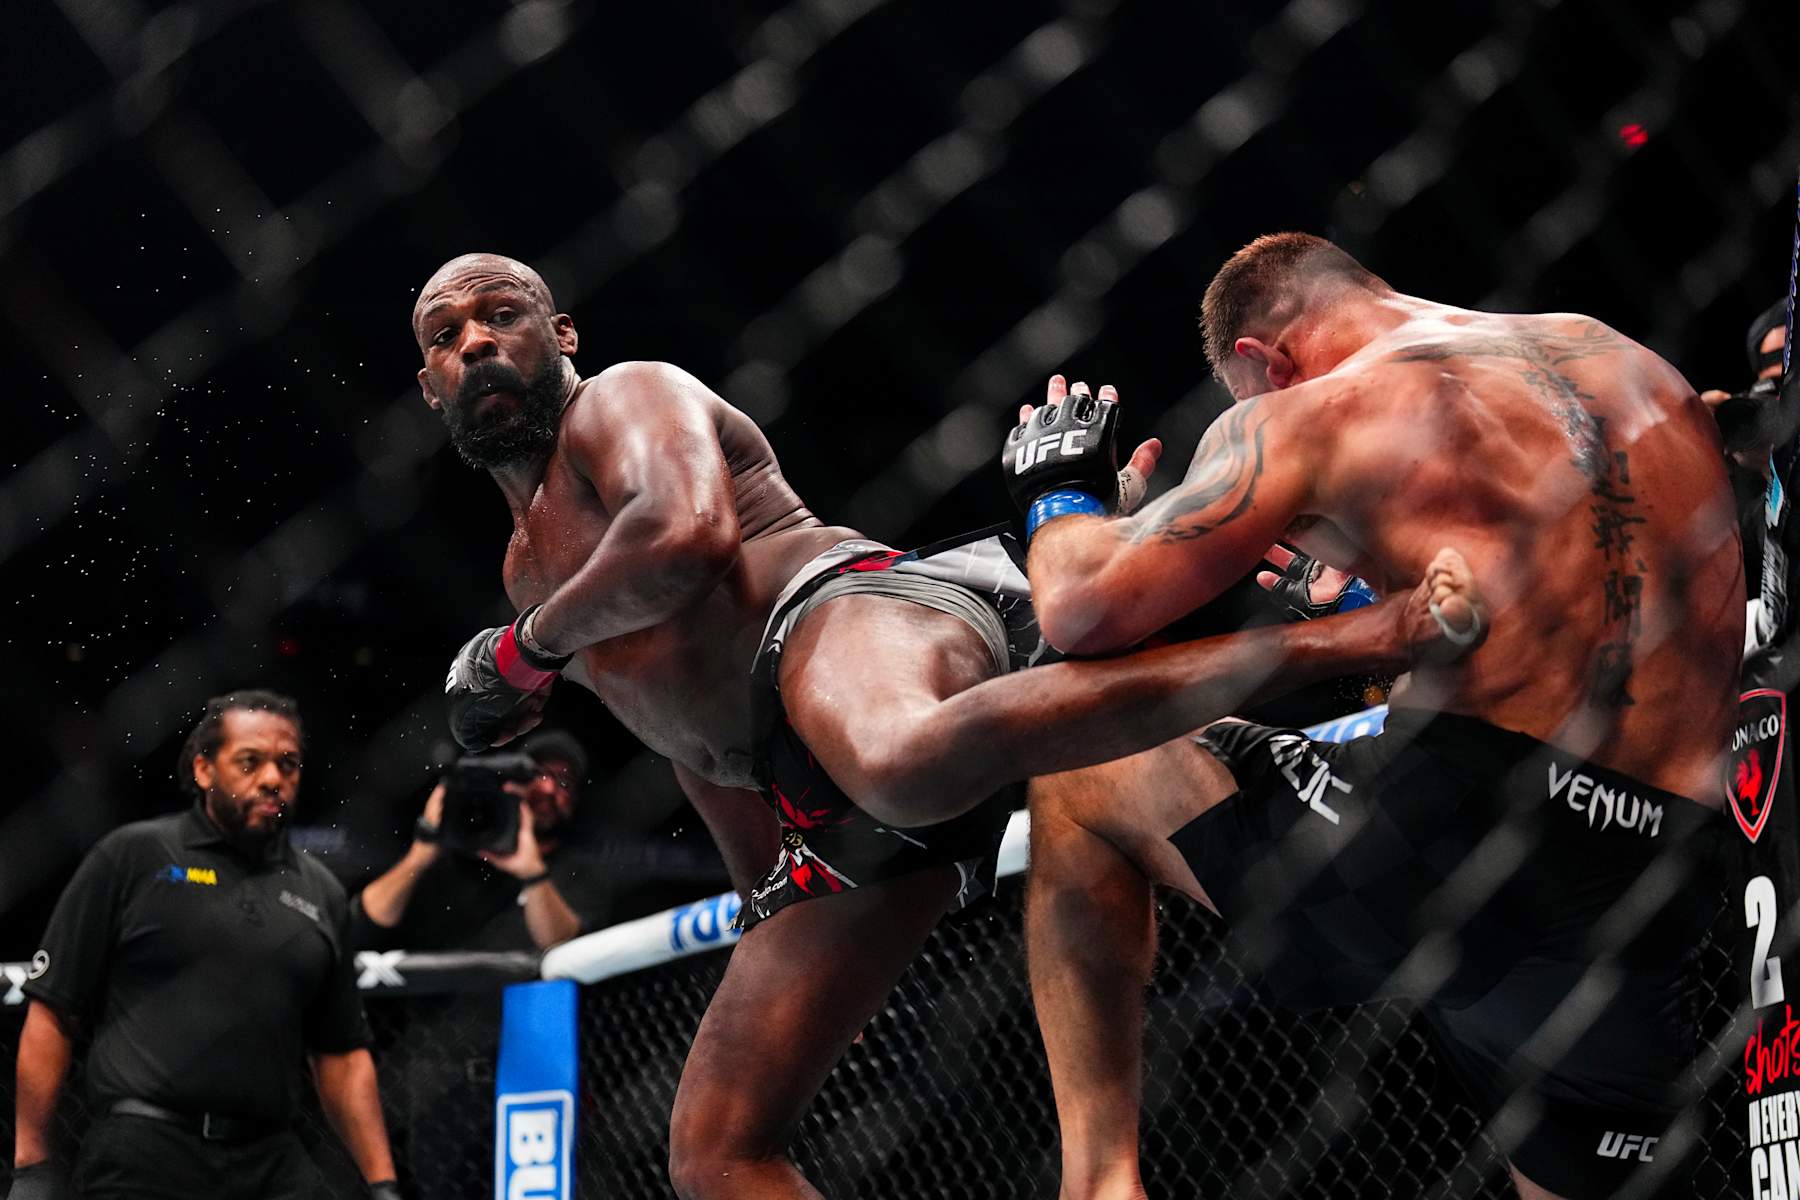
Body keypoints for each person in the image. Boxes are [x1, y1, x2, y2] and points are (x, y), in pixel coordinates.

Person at [412, 252, 1486, 1200]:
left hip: (845, 621)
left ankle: (1353, 636)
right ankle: (1064, 575)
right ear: (430, 386)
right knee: (716, 1151)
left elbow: (684, 535)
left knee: (902, 758)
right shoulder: (526, 568)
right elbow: (686, 741)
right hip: (804, 785)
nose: (477, 343)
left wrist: (521, 652)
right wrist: (769, 903)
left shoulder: (624, 400)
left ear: (561, 334)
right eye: (447, 336)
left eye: (501, 315)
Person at [1008, 233, 1741, 1200]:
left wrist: (1060, 495)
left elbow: (1080, 611)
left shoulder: (1313, 408)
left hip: (1467, 831)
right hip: (1671, 865)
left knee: (1074, 762)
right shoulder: (1620, 358)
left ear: (1265, 360)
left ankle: (1099, 1184)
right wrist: (1382, 613)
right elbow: (1598, 609)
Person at [9, 690, 400, 1200]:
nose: (272, 778)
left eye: (287, 764)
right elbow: (54, 1011)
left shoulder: (320, 891)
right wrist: (32, 1168)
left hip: (270, 1155)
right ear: (203, 769)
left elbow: (342, 1055)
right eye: (249, 762)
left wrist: (383, 1185)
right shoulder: (133, 857)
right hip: (146, 1149)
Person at [353, 729, 609, 952]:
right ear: (513, 779)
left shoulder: (579, 869)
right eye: (539, 774)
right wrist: (420, 855)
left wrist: (533, 875)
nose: (549, 789)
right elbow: (359, 926)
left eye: (564, 782)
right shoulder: (457, 839)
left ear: (575, 801)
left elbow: (570, 952)